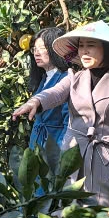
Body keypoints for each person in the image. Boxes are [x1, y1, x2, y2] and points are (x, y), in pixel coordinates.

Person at [11, 22, 109, 206]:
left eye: (91, 46)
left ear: (107, 50)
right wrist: (34, 103)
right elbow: (54, 93)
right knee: (68, 210)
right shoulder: (74, 78)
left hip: (104, 157)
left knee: (99, 212)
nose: (84, 51)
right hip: (72, 154)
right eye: (81, 46)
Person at [25, 26, 71, 168]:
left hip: (54, 146)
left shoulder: (66, 79)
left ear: (56, 48)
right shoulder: (43, 78)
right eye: (34, 49)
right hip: (37, 144)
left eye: (42, 48)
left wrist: (60, 154)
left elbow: (68, 122)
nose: (36, 53)